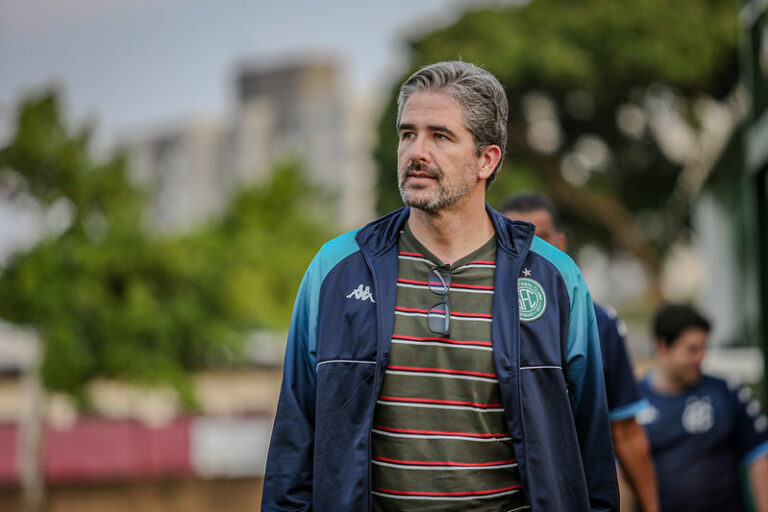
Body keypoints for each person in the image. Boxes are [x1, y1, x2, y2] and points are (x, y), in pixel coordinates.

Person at [262, 61, 618, 511]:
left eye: (440, 136)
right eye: (407, 133)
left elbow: (591, 445)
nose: (416, 152)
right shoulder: (335, 268)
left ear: (486, 159)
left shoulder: (554, 275)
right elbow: (296, 435)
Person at [501, 193, 659, 512]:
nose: (530, 249)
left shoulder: (599, 323)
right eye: (517, 238)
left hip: (569, 489)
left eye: (540, 238)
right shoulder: (478, 312)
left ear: (561, 241)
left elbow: (624, 430)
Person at [638, 304, 768, 512]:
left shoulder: (727, 392)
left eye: (704, 348)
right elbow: (621, 474)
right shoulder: (633, 405)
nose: (701, 357)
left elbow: (759, 456)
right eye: (692, 349)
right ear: (662, 347)